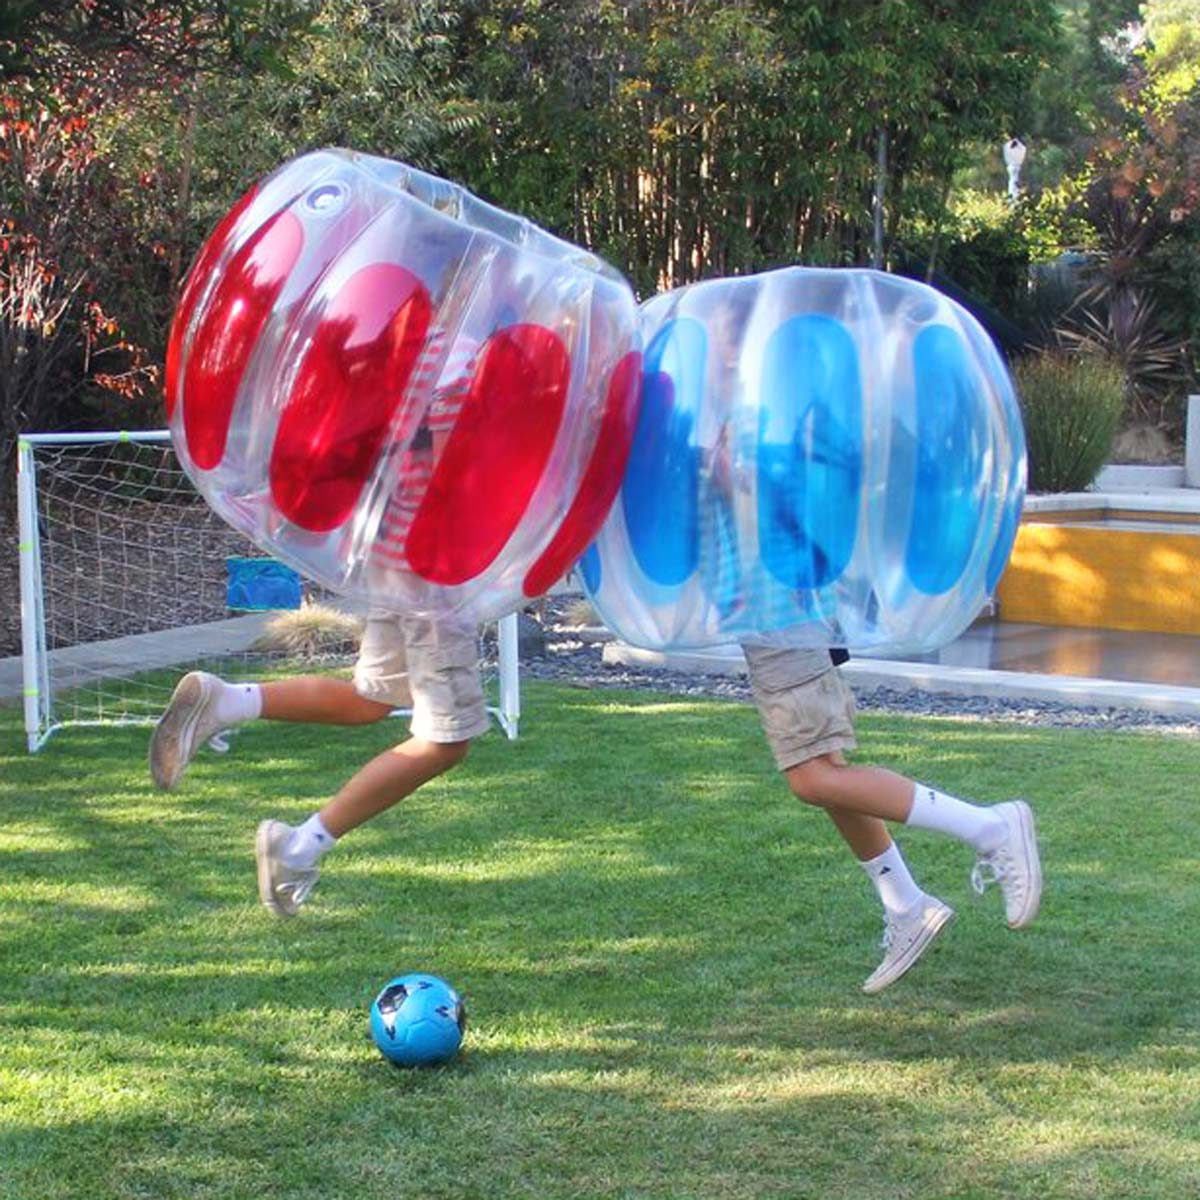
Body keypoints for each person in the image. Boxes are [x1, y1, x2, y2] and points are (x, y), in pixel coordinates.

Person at [150, 329, 490, 918]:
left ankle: (226, 701)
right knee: (445, 740)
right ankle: (299, 847)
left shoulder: (419, 345)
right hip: (433, 570)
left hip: (395, 550)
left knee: (370, 700)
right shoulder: (471, 359)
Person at [741, 641, 1041, 993]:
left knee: (813, 778)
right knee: (825, 773)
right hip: (771, 625)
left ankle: (990, 828)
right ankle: (906, 906)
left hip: (779, 623)